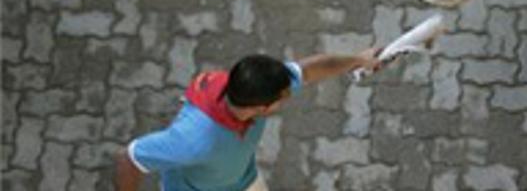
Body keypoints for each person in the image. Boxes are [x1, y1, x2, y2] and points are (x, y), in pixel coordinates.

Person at [115, 49, 381, 191]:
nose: (289, 96)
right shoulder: (194, 139)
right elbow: (130, 159)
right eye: (283, 97)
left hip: (243, 182)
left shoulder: (251, 86)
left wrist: (359, 60)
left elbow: (310, 69)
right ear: (261, 108)